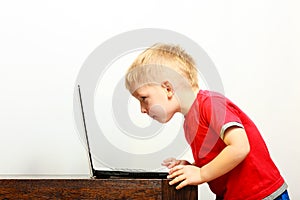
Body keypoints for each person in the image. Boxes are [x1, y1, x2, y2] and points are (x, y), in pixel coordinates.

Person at [124, 43, 289, 200]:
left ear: (168, 89)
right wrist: (195, 166)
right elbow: (218, 155)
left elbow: (240, 147)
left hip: (261, 194)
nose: (142, 109)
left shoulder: (210, 103)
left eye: (143, 98)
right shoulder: (189, 122)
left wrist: (202, 174)